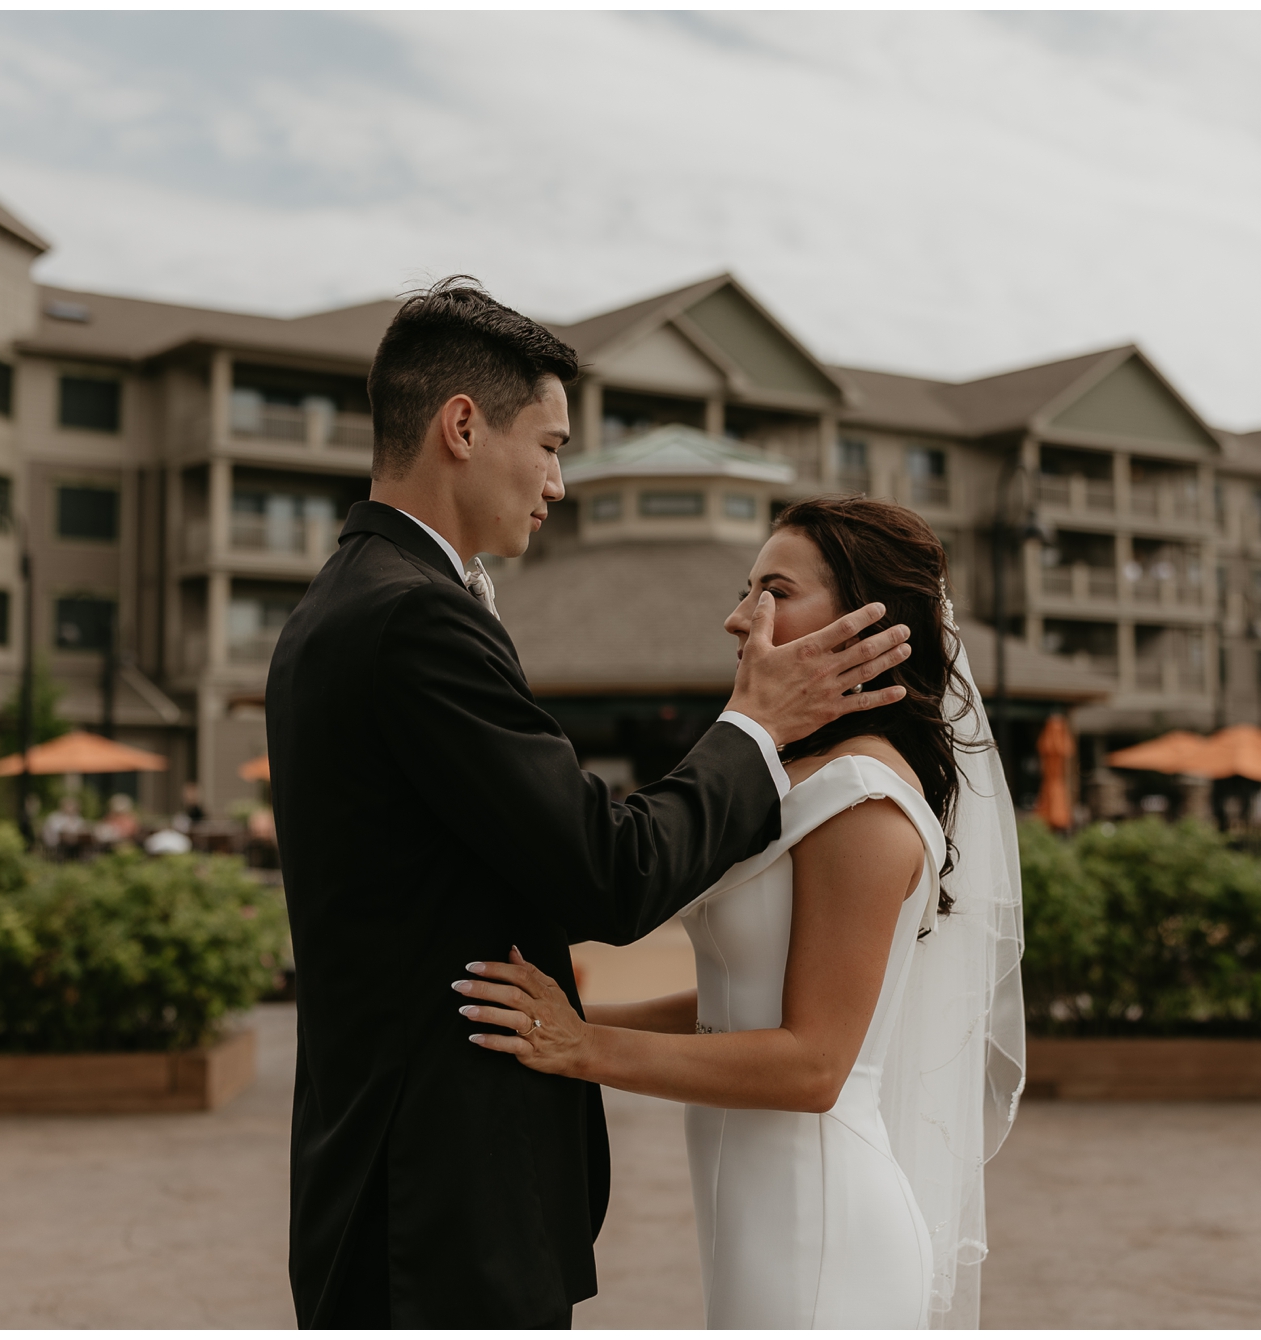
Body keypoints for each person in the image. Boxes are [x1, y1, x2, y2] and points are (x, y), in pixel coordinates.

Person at [266, 278, 914, 1329]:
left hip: (402, 1186)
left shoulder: (347, 601)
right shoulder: (411, 619)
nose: (558, 483)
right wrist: (751, 726)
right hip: (436, 1205)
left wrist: (586, 1025)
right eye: (553, 444)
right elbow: (606, 872)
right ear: (462, 426)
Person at [459, 497, 1025, 1328]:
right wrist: (564, 1012)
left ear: (869, 622)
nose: (738, 618)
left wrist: (584, 1048)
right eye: (743, 589)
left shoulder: (865, 800)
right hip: (758, 1220)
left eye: (774, 591)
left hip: (822, 1226)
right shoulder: (800, 779)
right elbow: (737, 1003)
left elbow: (814, 1063)